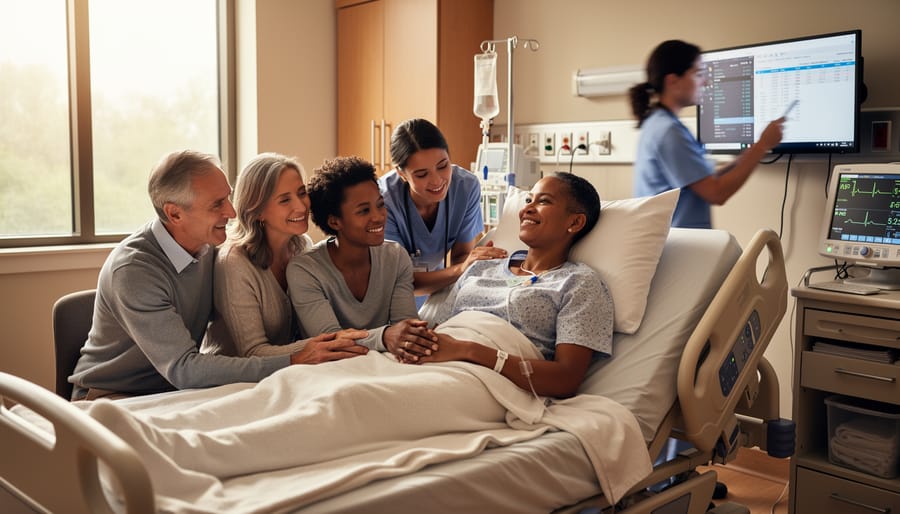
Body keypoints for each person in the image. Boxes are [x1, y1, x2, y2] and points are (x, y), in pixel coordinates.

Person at [69, 150, 330, 401]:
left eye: (228, 198)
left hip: (173, 392)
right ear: (174, 213)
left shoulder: (208, 247)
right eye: (217, 204)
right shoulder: (133, 270)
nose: (231, 212)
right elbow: (185, 369)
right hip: (112, 396)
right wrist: (293, 360)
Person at [423, 172, 613, 398]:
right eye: (528, 200)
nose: (527, 209)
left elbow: (566, 380)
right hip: (433, 364)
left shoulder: (579, 283)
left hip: (486, 383)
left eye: (543, 201)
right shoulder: (480, 266)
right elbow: (439, 332)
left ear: (575, 222)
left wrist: (469, 351)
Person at [203, 152, 368, 362]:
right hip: (234, 378)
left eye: (301, 193)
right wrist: (329, 341)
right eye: (284, 200)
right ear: (258, 210)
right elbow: (252, 352)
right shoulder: (233, 263)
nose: (301, 206)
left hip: (289, 370)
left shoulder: (302, 246)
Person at [286, 156, 438, 363]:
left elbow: (405, 326)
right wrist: (385, 336)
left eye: (380, 205)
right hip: (329, 370)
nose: (379, 216)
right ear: (334, 221)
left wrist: (413, 336)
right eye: (364, 211)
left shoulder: (395, 257)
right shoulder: (305, 270)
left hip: (383, 363)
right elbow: (331, 341)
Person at [630, 39, 785, 229]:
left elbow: (701, 181)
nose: (706, 81)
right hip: (677, 248)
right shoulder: (668, 132)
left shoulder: (658, 123)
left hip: (675, 243)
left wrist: (746, 157)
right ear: (673, 81)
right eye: (698, 74)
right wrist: (763, 145)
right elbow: (716, 193)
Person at [379, 118, 507, 306]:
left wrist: (473, 263)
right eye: (422, 174)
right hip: (388, 300)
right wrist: (461, 268)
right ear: (401, 174)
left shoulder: (466, 187)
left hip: (437, 292)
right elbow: (400, 282)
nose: (437, 181)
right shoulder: (383, 200)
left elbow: (462, 256)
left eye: (442, 166)